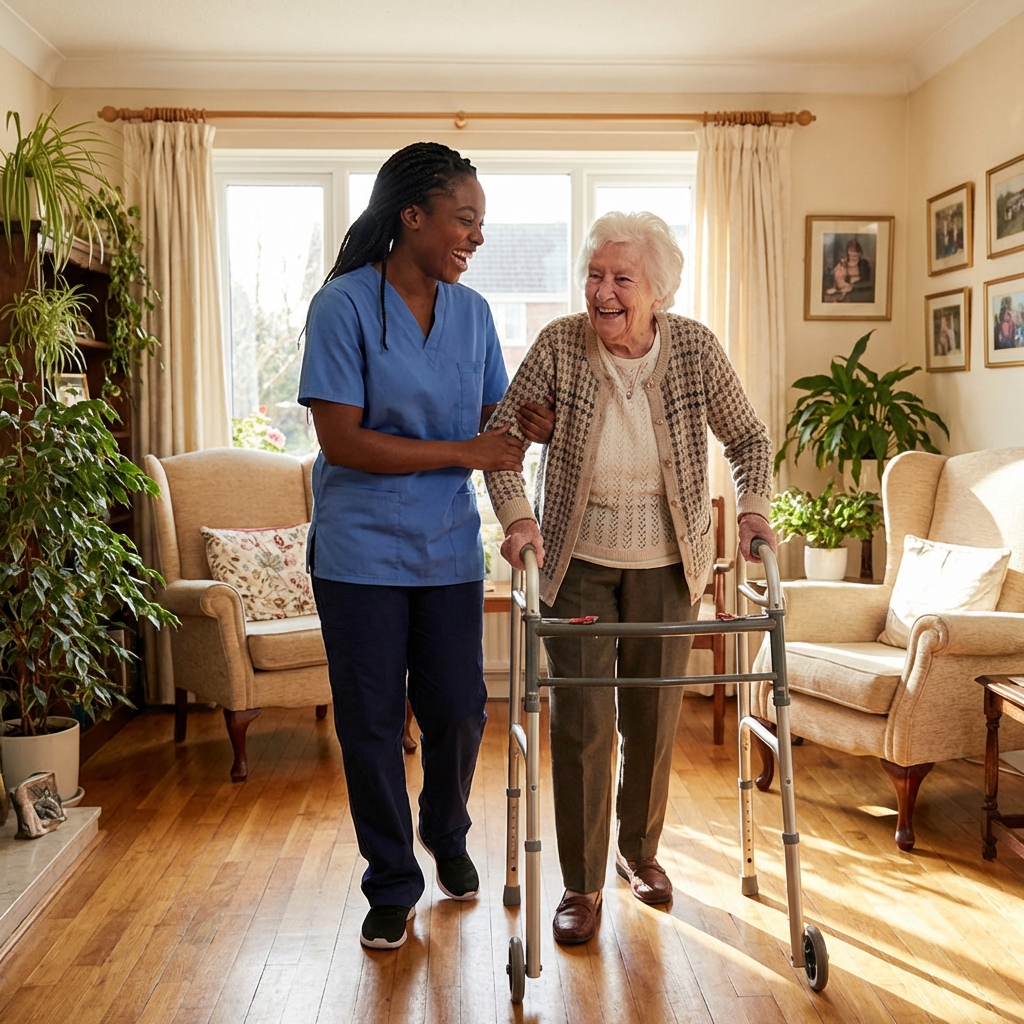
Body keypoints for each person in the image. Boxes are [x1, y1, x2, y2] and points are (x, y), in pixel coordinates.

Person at [485, 211, 776, 945]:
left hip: (671, 565)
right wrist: (520, 518)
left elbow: (748, 437)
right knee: (584, 722)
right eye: (594, 275)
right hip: (577, 562)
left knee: (651, 718)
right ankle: (581, 885)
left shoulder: (695, 349)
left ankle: (639, 853)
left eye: (622, 278)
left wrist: (751, 510)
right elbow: (501, 440)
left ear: (658, 290)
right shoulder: (558, 345)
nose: (603, 291)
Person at [297, 142, 549, 951]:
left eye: (480, 224)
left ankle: (445, 832)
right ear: (413, 216)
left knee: (459, 709)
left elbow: (493, 422)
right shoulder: (342, 306)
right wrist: (467, 451)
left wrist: (522, 428)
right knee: (371, 725)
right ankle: (392, 882)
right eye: (464, 219)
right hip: (359, 555)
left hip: (445, 550)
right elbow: (342, 441)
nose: (475, 238)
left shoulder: (472, 315)